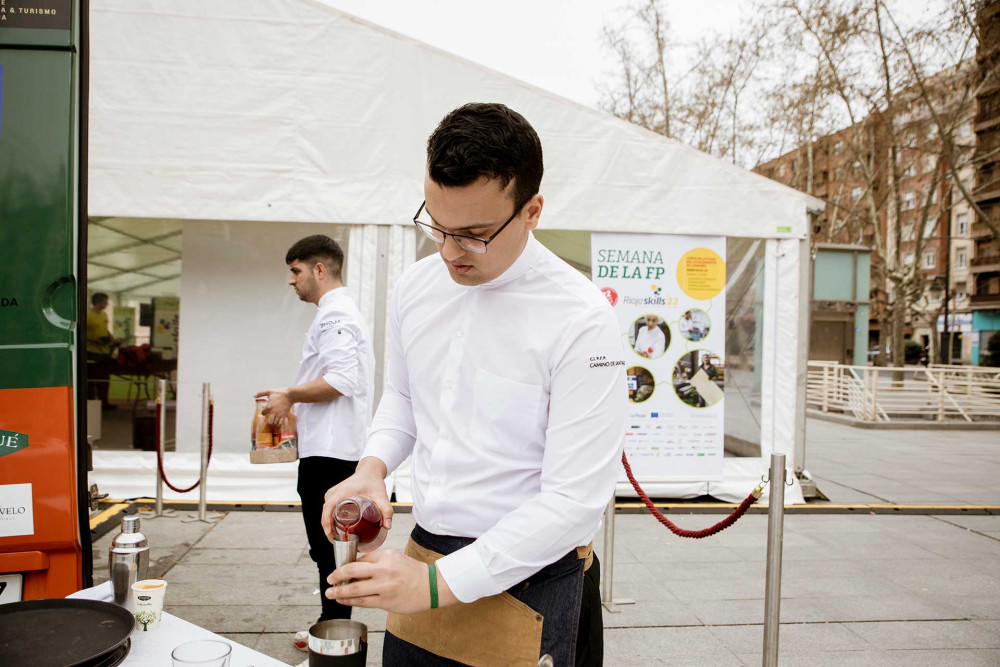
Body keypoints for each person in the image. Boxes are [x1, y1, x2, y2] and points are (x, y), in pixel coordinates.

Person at [322, 103, 626, 666]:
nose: (448, 251)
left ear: (532, 210)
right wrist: (371, 470)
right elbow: (406, 398)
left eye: (474, 235)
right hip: (422, 555)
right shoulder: (418, 285)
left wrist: (435, 586)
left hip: (529, 575)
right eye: (436, 225)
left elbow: (573, 502)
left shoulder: (582, 319)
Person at [254, 235, 374, 652]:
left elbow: (343, 380)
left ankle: (335, 640)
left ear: (319, 270)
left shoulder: (334, 315)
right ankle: (331, 625)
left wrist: (289, 395)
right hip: (333, 449)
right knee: (331, 550)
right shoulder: (337, 312)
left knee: (330, 550)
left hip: (332, 454)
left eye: (296, 270)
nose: (292, 280)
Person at [86, 293, 118, 409]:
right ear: (98, 302)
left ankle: (104, 402)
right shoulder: (87, 315)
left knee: (104, 379)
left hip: (104, 352)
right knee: (91, 380)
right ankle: (91, 404)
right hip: (91, 352)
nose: (107, 304)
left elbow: (105, 329)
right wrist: (94, 340)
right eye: (106, 301)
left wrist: (111, 338)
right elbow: (80, 334)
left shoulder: (104, 315)